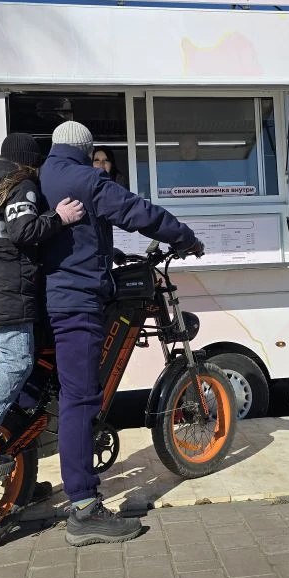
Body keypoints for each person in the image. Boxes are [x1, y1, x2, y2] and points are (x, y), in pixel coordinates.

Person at [40, 120, 203, 546]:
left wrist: (106, 252)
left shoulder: (44, 175)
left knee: (52, 393)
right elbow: (138, 212)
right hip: (76, 301)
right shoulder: (86, 178)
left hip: (50, 296)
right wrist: (185, 237)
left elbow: (74, 236)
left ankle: (25, 485)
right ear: (84, 148)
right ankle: (83, 508)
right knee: (80, 399)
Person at [0, 132, 85, 476]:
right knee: (17, 361)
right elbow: (23, 231)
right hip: (6, 297)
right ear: (30, 162)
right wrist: (59, 217)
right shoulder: (19, 185)